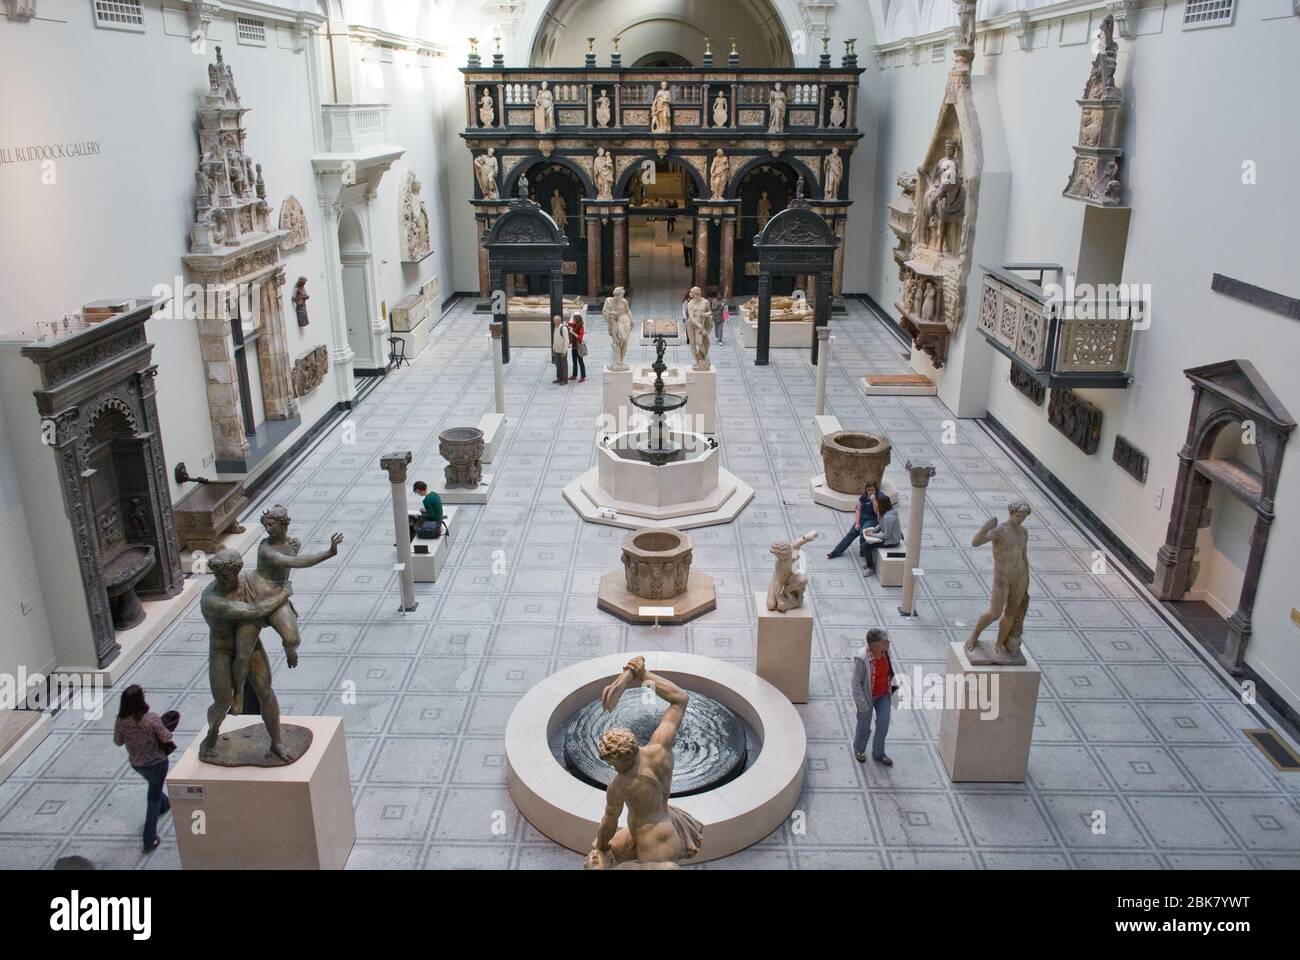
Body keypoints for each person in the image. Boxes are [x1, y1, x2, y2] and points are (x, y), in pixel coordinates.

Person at [114, 685, 174, 852]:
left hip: (137, 764)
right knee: (153, 798)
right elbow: (166, 736)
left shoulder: (120, 721)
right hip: (157, 762)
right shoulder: (152, 719)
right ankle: (149, 838)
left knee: (154, 785)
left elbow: (118, 742)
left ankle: (166, 804)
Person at [851, 629, 897, 765]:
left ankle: (878, 753)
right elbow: (856, 684)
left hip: (884, 694)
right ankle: (859, 749)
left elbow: (889, 672)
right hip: (867, 697)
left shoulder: (886, 652)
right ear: (874, 645)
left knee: (883, 724)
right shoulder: (862, 658)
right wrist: (862, 704)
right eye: (885, 641)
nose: (888, 642)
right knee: (864, 725)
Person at [826, 483, 879, 560]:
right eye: (869, 490)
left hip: (872, 519)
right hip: (862, 517)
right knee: (852, 533)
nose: (870, 492)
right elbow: (858, 510)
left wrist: (874, 500)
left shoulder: (878, 498)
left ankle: (863, 549)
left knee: (863, 532)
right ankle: (836, 552)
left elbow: (877, 512)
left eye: (872, 490)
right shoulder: (863, 497)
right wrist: (857, 523)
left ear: (875, 490)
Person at [861, 491, 902, 575]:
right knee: (865, 540)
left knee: (865, 546)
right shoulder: (882, 512)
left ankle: (870, 567)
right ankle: (870, 562)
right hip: (886, 535)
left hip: (891, 540)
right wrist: (873, 530)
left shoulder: (888, 517)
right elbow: (880, 524)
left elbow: (886, 535)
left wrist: (873, 535)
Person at [567, 311, 587, 383]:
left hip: (578, 347)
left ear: (577, 320)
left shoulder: (581, 327)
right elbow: (568, 323)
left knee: (580, 362)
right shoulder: (574, 325)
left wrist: (572, 332)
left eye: (574, 319)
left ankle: (583, 376)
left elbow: (580, 338)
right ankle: (574, 375)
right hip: (574, 347)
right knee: (574, 361)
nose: (573, 320)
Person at [551, 314, 571, 384]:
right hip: (556, 350)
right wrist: (553, 349)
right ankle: (559, 378)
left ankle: (564, 380)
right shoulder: (555, 327)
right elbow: (555, 339)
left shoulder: (564, 328)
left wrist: (564, 351)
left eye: (556, 321)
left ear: (559, 321)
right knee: (558, 365)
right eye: (554, 321)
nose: (555, 322)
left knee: (563, 366)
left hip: (562, 351)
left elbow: (566, 341)